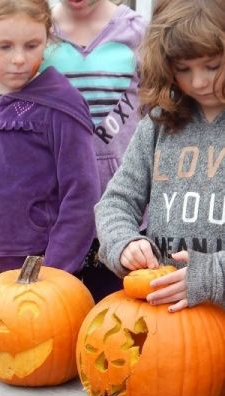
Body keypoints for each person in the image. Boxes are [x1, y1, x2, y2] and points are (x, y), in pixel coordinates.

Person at [0, 0, 100, 275]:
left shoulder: (60, 106)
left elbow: (82, 197)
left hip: (26, 273)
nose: (19, 59)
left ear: (47, 38)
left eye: (32, 46)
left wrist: (53, 273)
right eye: (4, 47)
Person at [95, 0, 225, 312]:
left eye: (212, 66)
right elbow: (116, 202)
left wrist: (212, 275)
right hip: (166, 318)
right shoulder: (158, 124)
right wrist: (125, 243)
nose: (198, 82)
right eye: (183, 69)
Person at [41, 0, 147, 301]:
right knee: (55, 311)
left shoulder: (137, 32)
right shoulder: (39, 33)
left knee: (118, 315)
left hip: (122, 210)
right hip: (57, 206)